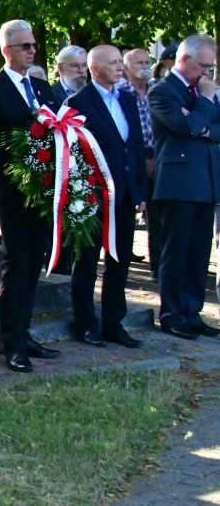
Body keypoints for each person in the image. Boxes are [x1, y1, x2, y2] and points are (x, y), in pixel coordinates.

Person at [0, 19, 64, 373]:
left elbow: (59, 128)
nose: (32, 51)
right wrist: (27, 145)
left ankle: (25, 332)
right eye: (25, 46)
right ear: (6, 49)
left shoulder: (43, 88)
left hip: (44, 191)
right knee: (18, 262)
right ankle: (11, 340)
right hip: (12, 192)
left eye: (34, 45)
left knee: (35, 264)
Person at [65, 45, 147, 349]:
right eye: (112, 63)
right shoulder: (78, 102)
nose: (118, 67)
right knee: (86, 262)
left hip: (124, 196)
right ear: (94, 68)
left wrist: (139, 191)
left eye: (119, 62)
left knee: (120, 261)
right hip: (92, 197)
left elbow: (135, 147)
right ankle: (86, 323)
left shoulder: (127, 99)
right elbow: (72, 153)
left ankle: (114, 323)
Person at [149, 35, 220, 340]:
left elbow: (214, 129)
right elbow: (185, 126)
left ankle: (192, 312)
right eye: (203, 66)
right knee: (176, 252)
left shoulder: (200, 89)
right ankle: (172, 314)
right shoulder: (163, 91)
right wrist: (204, 104)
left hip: (206, 181)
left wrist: (201, 121)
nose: (207, 73)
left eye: (210, 67)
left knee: (199, 253)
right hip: (177, 183)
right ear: (184, 59)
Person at [121, 48, 157, 271]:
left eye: (147, 62)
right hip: (134, 160)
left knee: (159, 217)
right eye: (139, 63)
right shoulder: (121, 93)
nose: (145, 67)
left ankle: (158, 265)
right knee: (131, 213)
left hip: (161, 158)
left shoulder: (158, 91)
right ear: (126, 68)